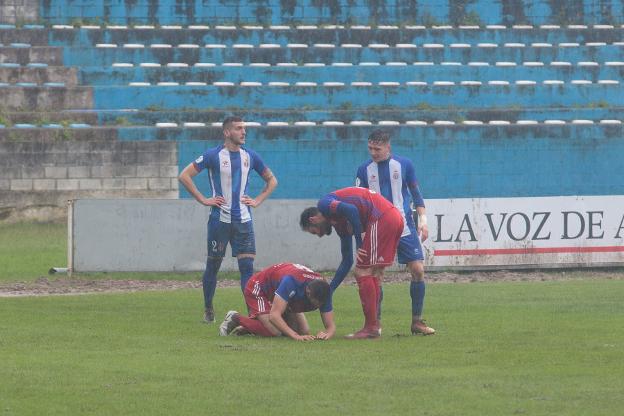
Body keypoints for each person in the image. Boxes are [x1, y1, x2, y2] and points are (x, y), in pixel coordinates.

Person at [178, 116, 277, 323]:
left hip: (244, 221)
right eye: (239, 128)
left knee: (247, 269)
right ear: (227, 132)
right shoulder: (213, 155)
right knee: (213, 266)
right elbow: (184, 175)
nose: (244, 132)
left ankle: (253, 313)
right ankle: (208, 308)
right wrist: (203, 199)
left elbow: (272, 180)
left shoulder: (250, 156)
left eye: (244, 128)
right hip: (219, 221)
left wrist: (257, 200)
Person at [355, 130, 435, 335]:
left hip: (404, 226)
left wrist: (423, 222)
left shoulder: (404, 164)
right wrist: (363, 233)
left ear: (388, 147)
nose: (373, 152)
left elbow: (417, 196)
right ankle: (376, 324)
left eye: (377, 149)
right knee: (377, 274)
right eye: (370, 148)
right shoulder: (363, 170)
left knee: (418, 270)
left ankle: (417, 322)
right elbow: (359, 203)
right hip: (379, 228)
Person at [300, 186, 403, 339]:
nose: (320, 236)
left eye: (315, 232)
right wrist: (330, 290)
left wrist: (359, 244)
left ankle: (370, 327)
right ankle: (374, 325)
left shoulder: (324, 204)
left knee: (362, 271)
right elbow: (347, 261)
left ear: (313, 220)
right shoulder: (339, 223)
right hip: (393, 217)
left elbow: (352, 210)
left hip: (381, 218)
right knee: (374, 273)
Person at [218, 262, 335, 341]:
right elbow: (274, 316)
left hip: (285, 297)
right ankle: (236, 318)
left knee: (303, 331)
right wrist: (295, 336)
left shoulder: (324, 290)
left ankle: (252, 327)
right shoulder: (291, 282)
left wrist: (327, 334)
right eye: (314, 303)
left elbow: (330, 326)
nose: (317, 307)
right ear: (308, 292)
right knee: (275, 331)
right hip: (258, 288)